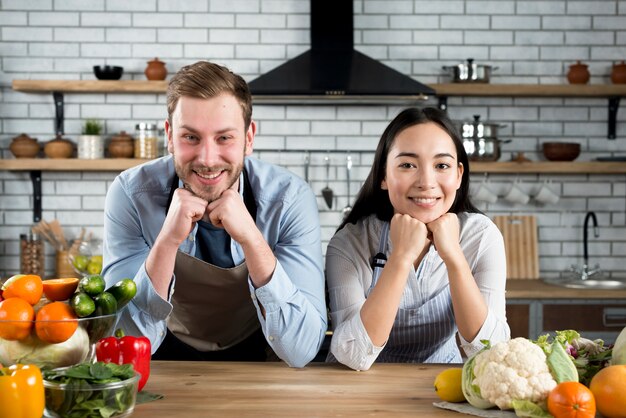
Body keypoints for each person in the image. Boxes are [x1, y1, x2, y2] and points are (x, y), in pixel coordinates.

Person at [102, 61, 327, 368]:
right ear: (169, 136)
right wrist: (167, 242)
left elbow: (301, 350)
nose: (207, 159)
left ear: (249, 138)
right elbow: (121, 339)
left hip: (260, 359)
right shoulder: (130, 194)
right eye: (190, 137)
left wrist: (252, 240)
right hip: (161, 361)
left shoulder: (288, 200)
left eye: (224, 138)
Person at [325, 107, 510, 371]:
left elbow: (491, 351)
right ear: (383, 176)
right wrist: (401, 257)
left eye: (441, 165)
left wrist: (454, 257)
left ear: (458, 175)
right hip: (355, 390)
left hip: (438, 386)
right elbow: (353, 355)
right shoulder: (350, 243)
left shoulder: (481, 236)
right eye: (408, 165)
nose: (426, 181)